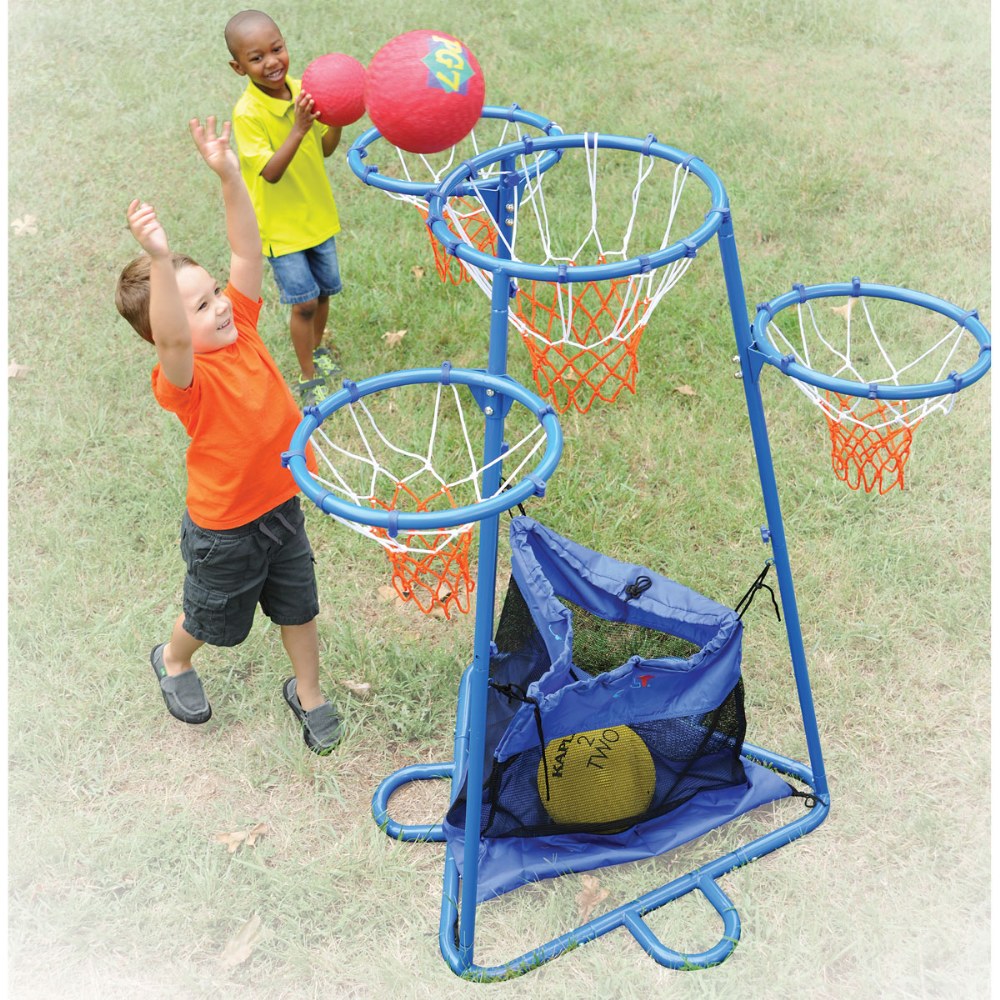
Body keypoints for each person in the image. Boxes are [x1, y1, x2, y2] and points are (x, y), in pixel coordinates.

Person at [114, 116, 342, 755]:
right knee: (213, 620)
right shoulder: (183, 377)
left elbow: (246, 251)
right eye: (201, 304)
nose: (218, 304)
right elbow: (173, 336)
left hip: (280, 506)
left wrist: (230, 176)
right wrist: (160, 260)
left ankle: (310, 692)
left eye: (213, 292)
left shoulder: (238, 324)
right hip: (225, 531)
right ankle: (175, 658)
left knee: (299, 606)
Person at [225, 8, 343, 405]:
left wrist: (337, 118)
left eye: (277, 49)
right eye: (256, 58)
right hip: (280, 228)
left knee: (324, 293)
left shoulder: (302, 90)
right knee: (304, 303)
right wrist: (299, 128)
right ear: (238, 67)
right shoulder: (248, 114)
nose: (272, 62)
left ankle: (320, 350)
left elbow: (325, 148)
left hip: (318, 216)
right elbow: (271, 173)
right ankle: (309, 374)